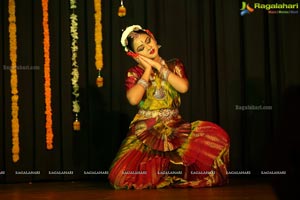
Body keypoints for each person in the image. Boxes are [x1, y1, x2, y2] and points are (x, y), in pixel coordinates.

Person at [108, 25, 230, 189]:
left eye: (148, 41)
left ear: (153, 38)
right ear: (135, 54)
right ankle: (164, 170)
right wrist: (147, 70)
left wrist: (159, 67)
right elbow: (133, 99)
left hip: (175, 127)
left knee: (217, 138)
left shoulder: (174, 65)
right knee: (119, 177)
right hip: (146, 129)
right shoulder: (134, 72)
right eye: (141, 48)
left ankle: (170, 170)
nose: (148, 47)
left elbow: (183, 87)